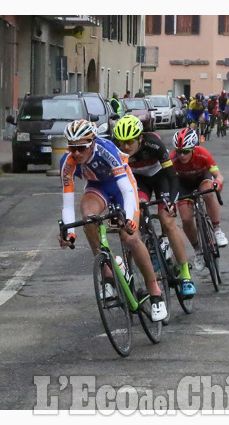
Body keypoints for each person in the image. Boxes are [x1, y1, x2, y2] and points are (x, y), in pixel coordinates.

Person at [57, 119, 167, 322]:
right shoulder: (67, 162)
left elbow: (126, 190)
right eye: (72, 148)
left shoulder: (106, 150)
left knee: (131, 238)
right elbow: (67, 202)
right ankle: (107, 273)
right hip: (98, 188)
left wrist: (130, 219)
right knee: (88, 217)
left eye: (81, 148)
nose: (77, 153)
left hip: (123, 187)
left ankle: (155, 292)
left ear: (92, 142)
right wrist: (69, 234)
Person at [113, 115, 196, 297]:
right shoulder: (115, 149)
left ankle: (185, 274)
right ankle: (147, 244)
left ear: (140, 138)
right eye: (122, 142)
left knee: (167, 221)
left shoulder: (153, 144)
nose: (125, 147)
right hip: (138, 181)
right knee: (135, 216)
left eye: (130, 142)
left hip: (160, 178)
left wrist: (171, 202)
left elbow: (172, 176)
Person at [169, 128, 227, 272]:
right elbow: (169, 182)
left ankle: (217, 229)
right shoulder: (173, 159)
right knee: (186, 219)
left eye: (186, 151)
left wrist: (218, 184)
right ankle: (198, 251)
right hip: (183, 184)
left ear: (194, 149)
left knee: (207, 194)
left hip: (202, 178)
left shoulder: (203, 154)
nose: (181, 155)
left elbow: (219, 176)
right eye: (179, 151)